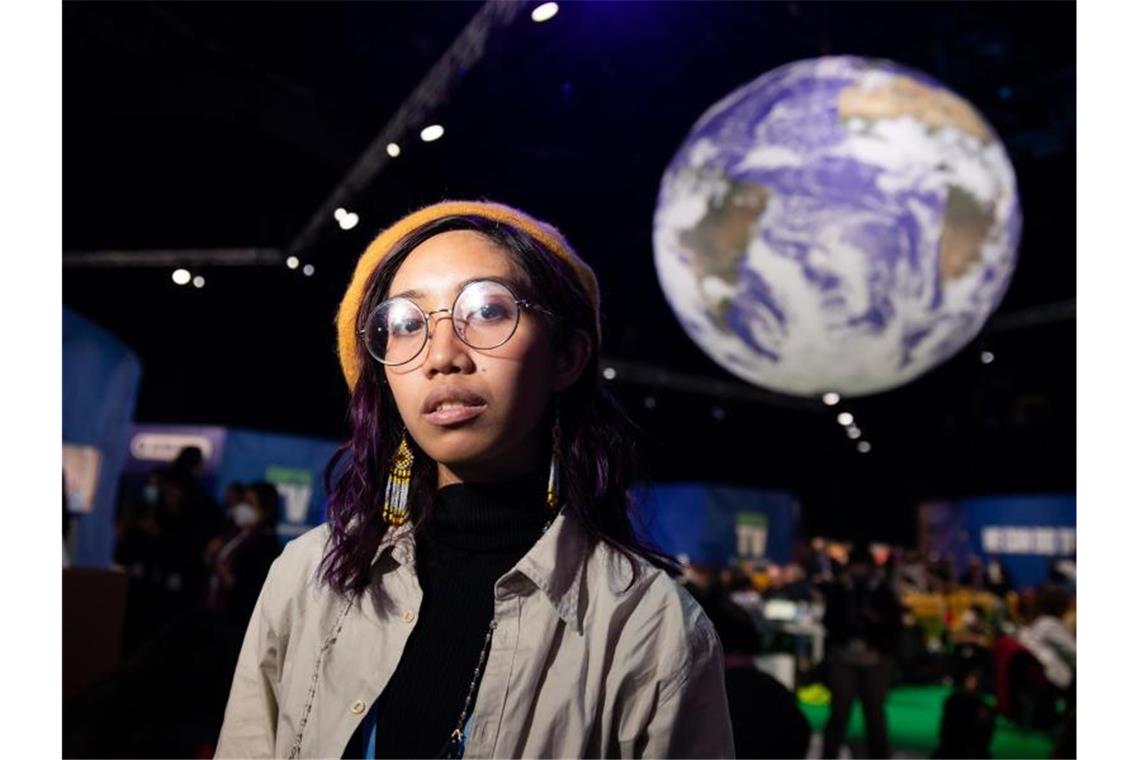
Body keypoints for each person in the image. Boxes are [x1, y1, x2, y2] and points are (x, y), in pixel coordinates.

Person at [215, 201, 734, 758]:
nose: (441, 355)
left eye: (488, 310)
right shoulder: (308, 578)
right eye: (406, 323)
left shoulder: (650, 628)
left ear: (567, 355)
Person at [821, 543, 903, 759]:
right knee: (839, 713)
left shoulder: (882, 590)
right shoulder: (839, 589)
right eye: (855, 566)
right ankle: (829, 755)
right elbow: (829, 621)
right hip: (844, 656)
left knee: (874, 715)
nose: (858, 571)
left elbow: (895, 623)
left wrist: (876, 622)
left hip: (875, 658)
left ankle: (880, 755)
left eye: (862, 566)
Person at [204, 481, 282, 625]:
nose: (243, 508)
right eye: (243, 501)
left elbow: (251, 586)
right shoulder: (234, 533)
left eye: (250, 503)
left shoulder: (265, 544)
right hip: (212, 607)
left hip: (234, 619)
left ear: (265, 509)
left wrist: (227, 576)